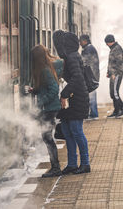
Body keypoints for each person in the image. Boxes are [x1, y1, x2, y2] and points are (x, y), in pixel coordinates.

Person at [53, 30, 90, 175]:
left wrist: (64, 93)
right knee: (68, 132)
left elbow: (77, 78)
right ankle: (72, 163)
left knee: (77, 132)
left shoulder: (72, 57)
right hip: (72, 100)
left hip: (77, 100)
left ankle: (85, 163)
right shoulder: (71, 56)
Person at [30, 44, 64, 177]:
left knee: (47, 137)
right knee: (47, 137)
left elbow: (54, 89)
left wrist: (41, 102)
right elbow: (47, 87)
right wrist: (36, 90)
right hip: (50, 108)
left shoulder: (44, 70)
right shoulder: (46, 67)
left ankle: (56, 168)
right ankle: (55, 166)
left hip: (49, 109)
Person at [104, 34, 123, 118]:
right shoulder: (113, 48)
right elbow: (111, 62)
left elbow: (119, 62)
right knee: (112, 93)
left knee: (115, 92)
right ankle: (116, 110)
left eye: (107, 43)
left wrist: (114, 73)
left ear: (110, 42)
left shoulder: (117, 49)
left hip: (117, 74)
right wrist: (108, 72)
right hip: (113, 74)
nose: (106, 45)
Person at [80, 34, 100, 120]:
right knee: (91, 94)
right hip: (92, 75)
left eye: (80, 41)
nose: (80, 44)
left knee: (91, 95)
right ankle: (92, 113)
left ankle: (94, 114)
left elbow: (85, 62)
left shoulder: (88, 49)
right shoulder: (89, 48)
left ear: (85, 41)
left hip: (90, 76)